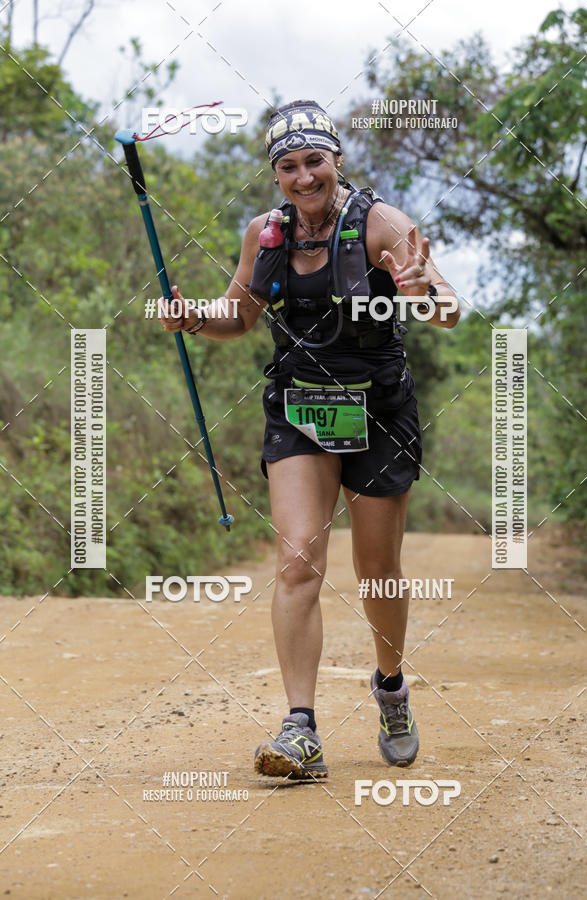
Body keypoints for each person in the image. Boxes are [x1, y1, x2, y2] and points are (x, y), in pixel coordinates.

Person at [162, 100, 459, 780]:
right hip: (299, 408)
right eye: (288, 167)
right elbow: (238, 316)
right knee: (298, 560)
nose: (303, 178)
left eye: (314, 162)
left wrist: (421, 290)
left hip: (378, 411)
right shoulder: (265, 235)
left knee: (377, 571)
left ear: (337, 161)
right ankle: (302, 729)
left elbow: (448, 307)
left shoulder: (384, 225)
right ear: (276, 175)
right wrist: (192, 318)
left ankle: (390, 689)